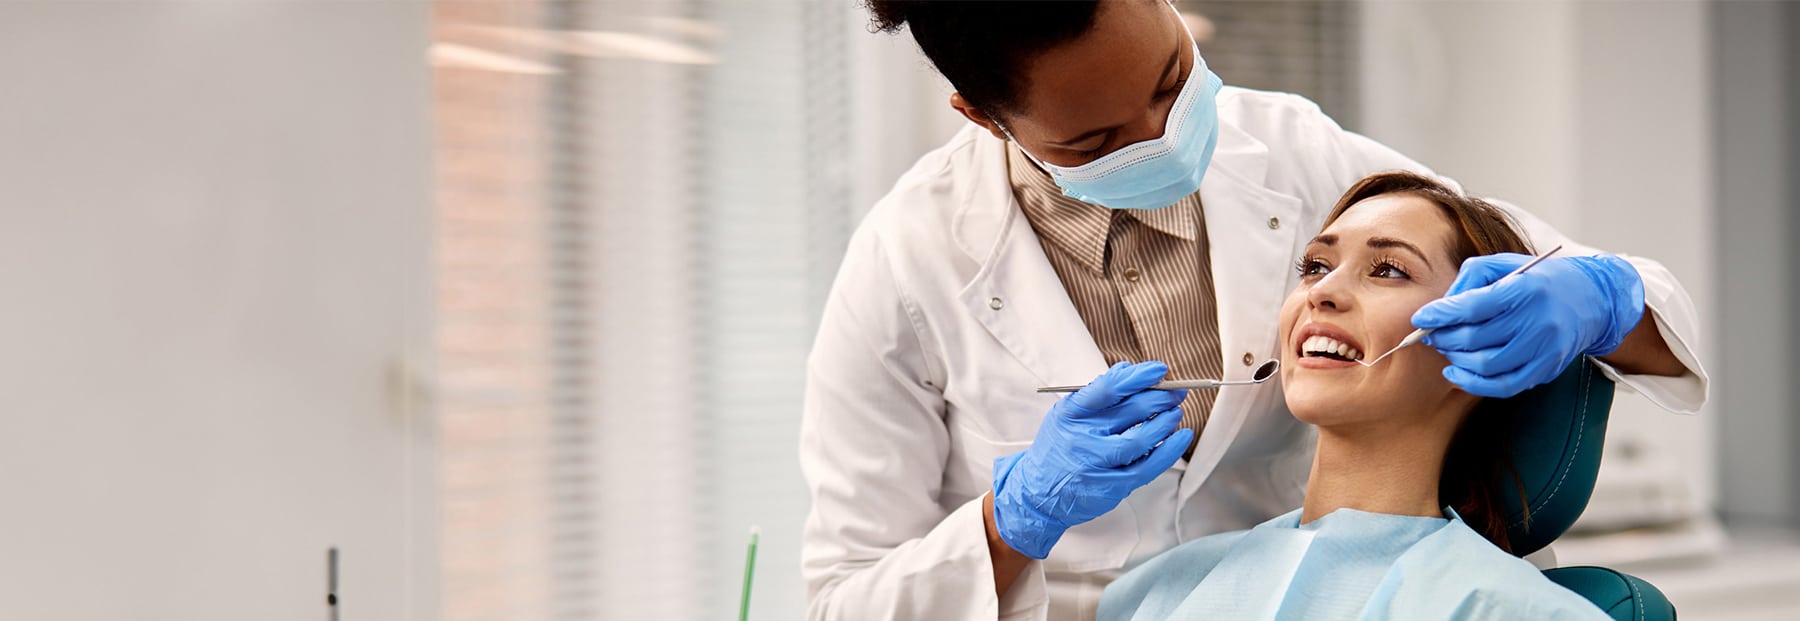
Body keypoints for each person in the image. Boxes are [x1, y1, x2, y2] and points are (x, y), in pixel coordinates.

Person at [800, 1, 1707, 619]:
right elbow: (843, 597)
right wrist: (1013, 522)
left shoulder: (1298, 152)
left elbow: (1587, 286)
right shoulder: (907, 260)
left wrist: (1599, 296)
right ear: (982, 116)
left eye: (1169, 81)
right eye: (1099, 140)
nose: (1163, 137)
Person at [1096, 170, 1609, 620]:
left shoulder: (1510, 611)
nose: (1321, 291)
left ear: (1481, 343)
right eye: (1316, 266)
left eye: (1388, 270)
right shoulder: (1154, 594)